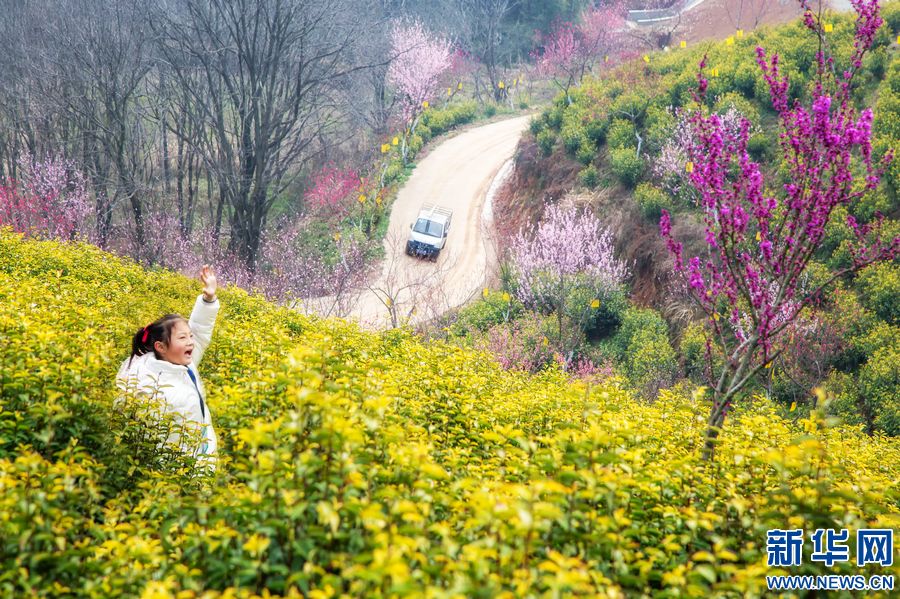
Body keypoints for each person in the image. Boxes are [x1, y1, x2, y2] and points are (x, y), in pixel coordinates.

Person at [116, 265, 220, 471]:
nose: (191, 342)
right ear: (161, 347)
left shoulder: (184, 364)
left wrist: (208, 300)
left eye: (189, 336)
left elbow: (200, 331)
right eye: (183, 338)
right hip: (169, 474)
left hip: (202, 462)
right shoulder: (142, 379)